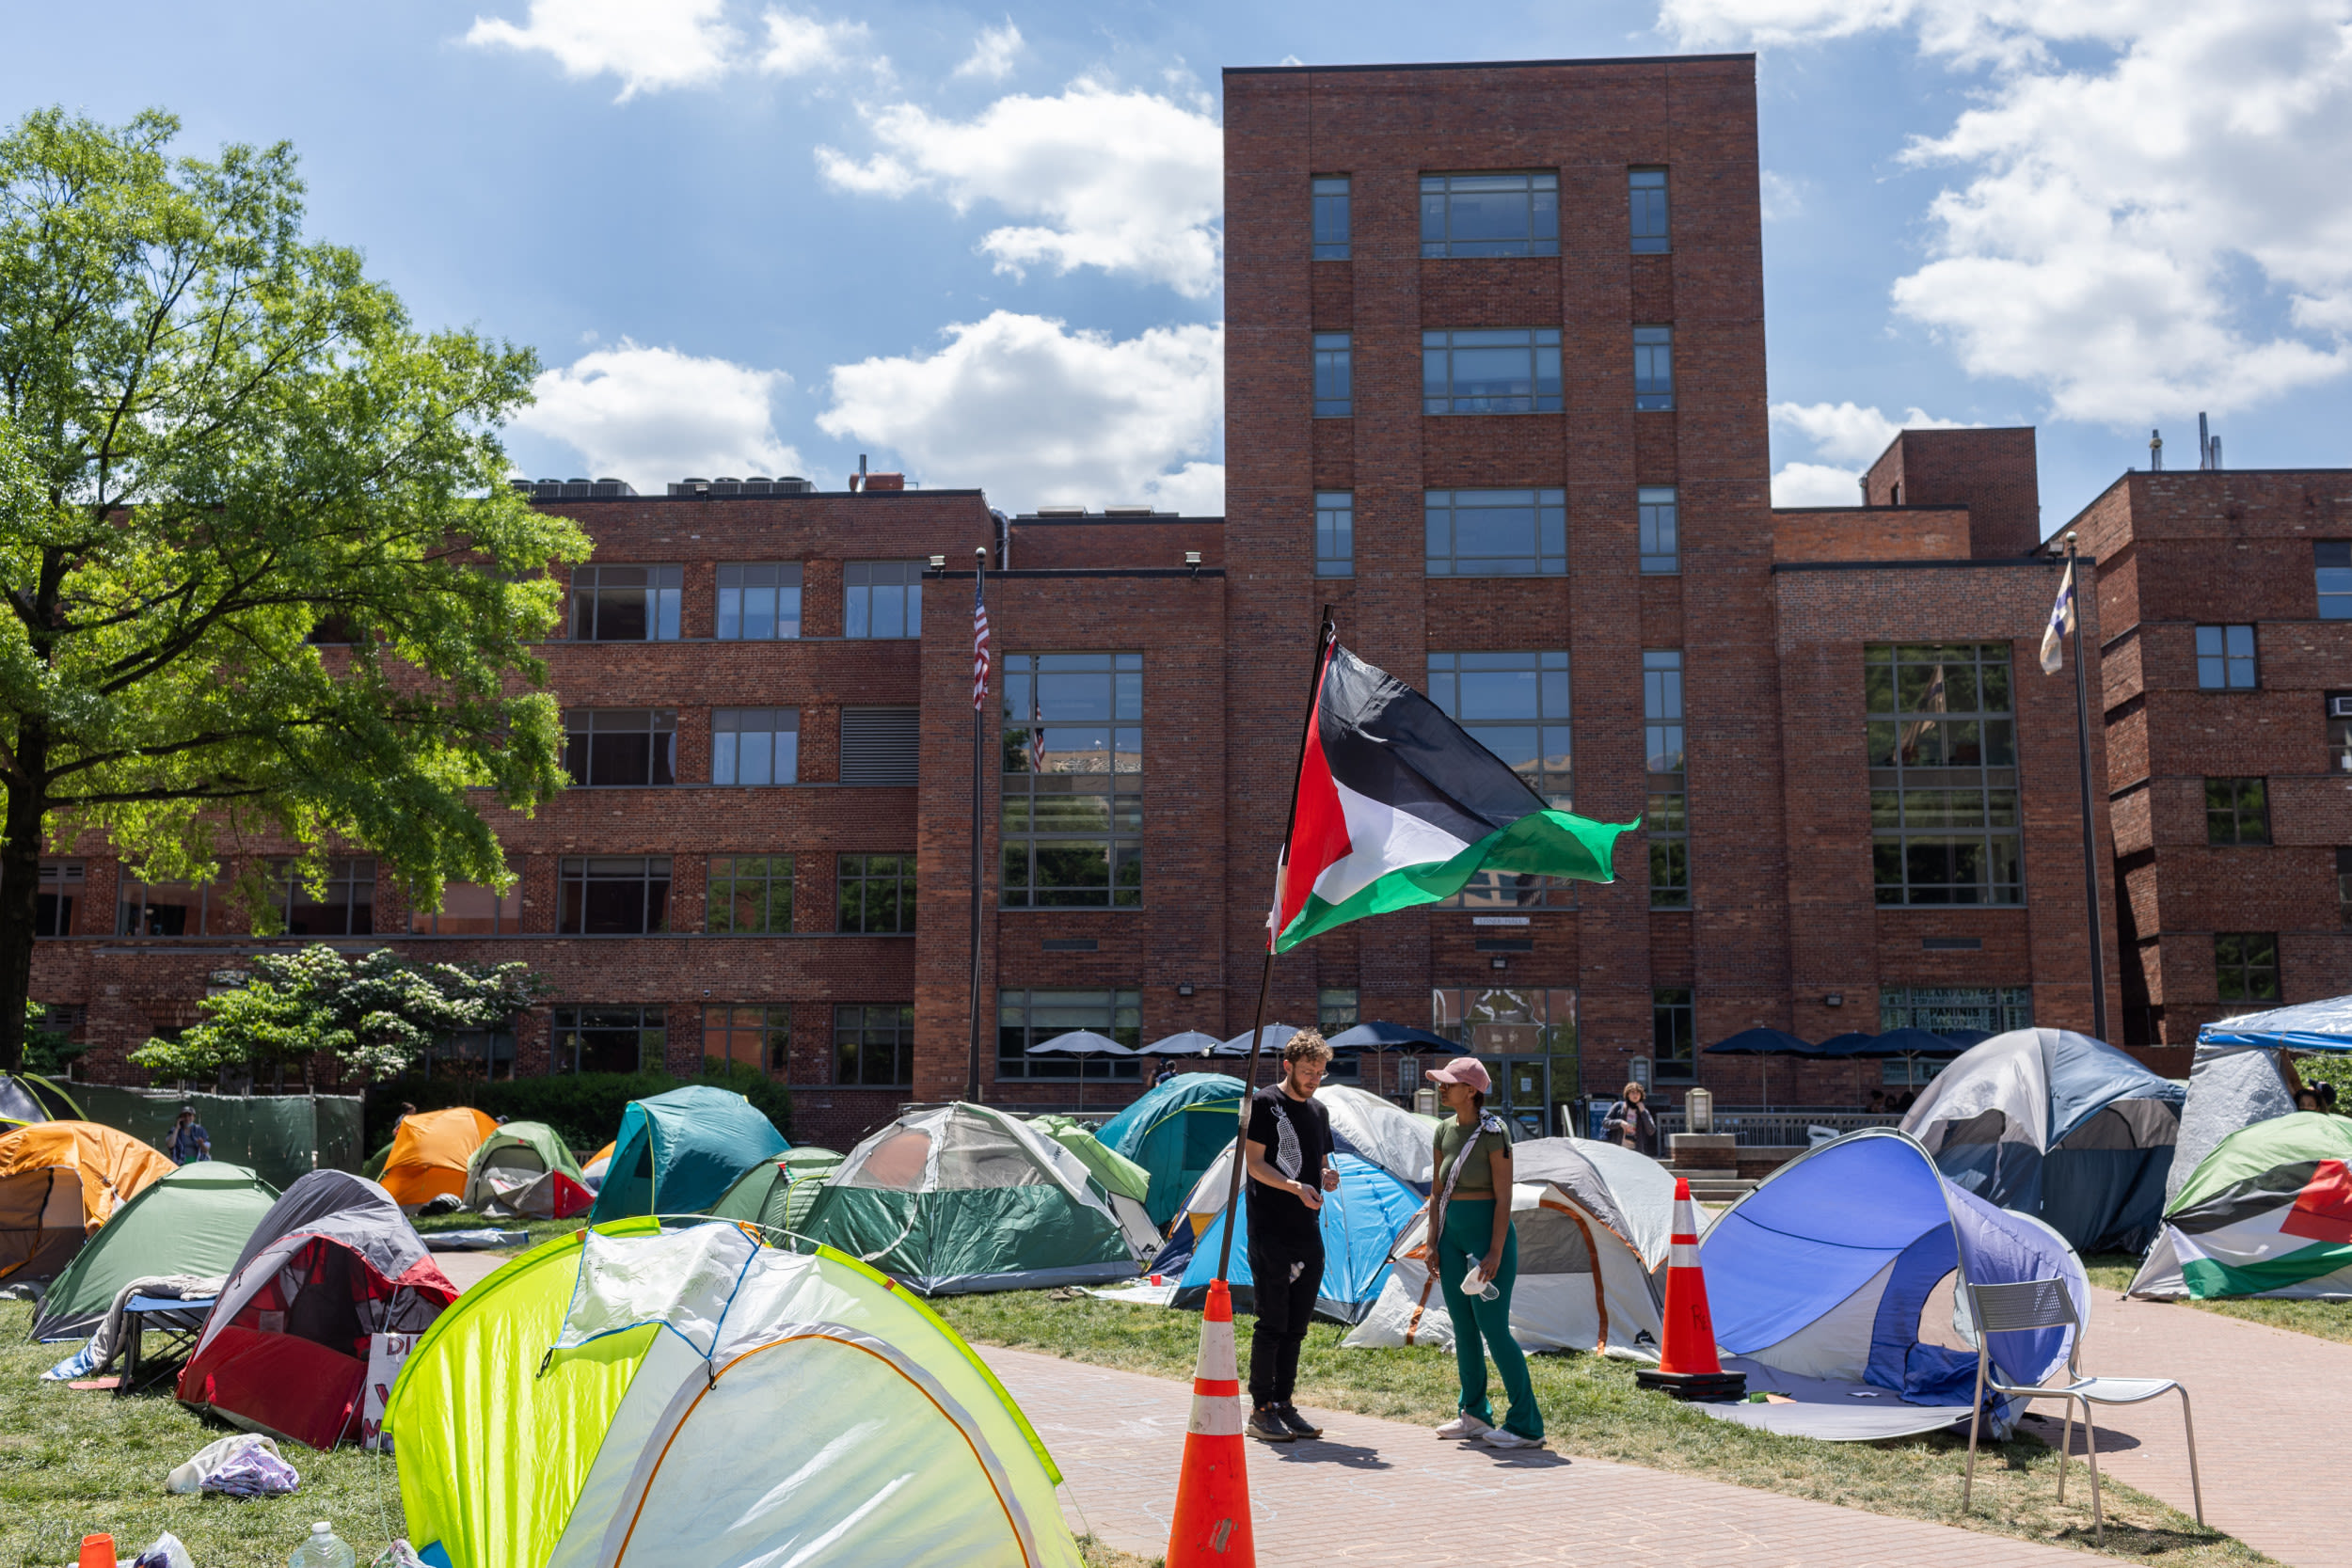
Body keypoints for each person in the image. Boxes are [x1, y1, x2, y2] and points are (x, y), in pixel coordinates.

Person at [1426, 1057, 1544, 1449]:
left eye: (1449, 1084)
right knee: (1463, 1329)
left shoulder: (1494, 1132)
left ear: (1472, 1091)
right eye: (1441, 1083)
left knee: (1494, 1329)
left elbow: (1505, 1195)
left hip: (1487, 1241)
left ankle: (1526, 1425)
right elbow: (1436, 1192)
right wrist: (1431, 1241)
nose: (1442, 1089)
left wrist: (1494, 1251)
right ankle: (1474, 1413)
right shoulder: (1442, 1130)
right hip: (1450, 1238)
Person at [1240, 1029, 1339, 1444]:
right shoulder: (1264, 1103)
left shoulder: (1318, 1111)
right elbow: (1255, 1165)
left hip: (1308, 1229)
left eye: (1320, 1072)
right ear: (1288, 1066)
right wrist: (1294, 1187)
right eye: (1307, 1071)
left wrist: (1326, 1177)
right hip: (1270, 1228)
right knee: (1273, 1320)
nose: (1314, 1079)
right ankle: (1260, 1409)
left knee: (1298, 1324)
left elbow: (1319, 1163)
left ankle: (1284, 1402)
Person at [1601, 1082, 1659, 1156]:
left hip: (1636, 1150)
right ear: (1628, 1094)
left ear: (1641, 1095)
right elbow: (1605, 1122)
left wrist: (1643, 1112)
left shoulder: (1643, 1110)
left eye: (1638, 1093)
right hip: (1619, 1148)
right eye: (1632, 1092)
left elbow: (1651, 1130)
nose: (1635, 1095)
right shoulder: (1619, 1106)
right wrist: (1620, 1123)